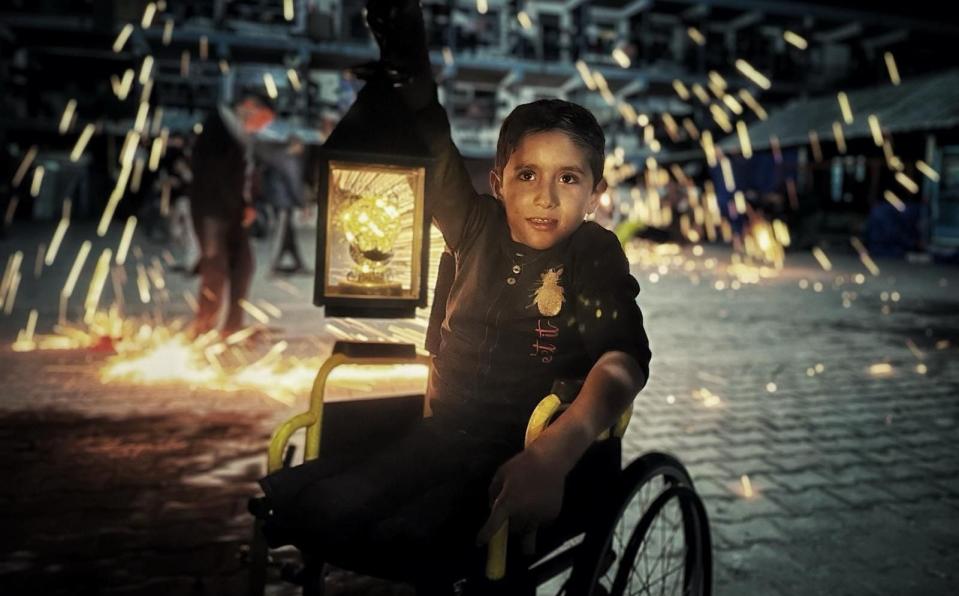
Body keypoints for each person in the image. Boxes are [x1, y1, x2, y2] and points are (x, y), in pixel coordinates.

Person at [249, 0, 651, 589]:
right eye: (527, 175)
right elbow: (435, 143)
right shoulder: (475, 224)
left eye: (568, 178)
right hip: (436, 437)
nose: (545, 196)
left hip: (522, 446)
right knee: (314, 506)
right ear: (498, 181)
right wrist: (412, 69)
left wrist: (555, 453)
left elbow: (621, 362)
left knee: (433, 541)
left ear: (594, 192)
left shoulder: (592, 252)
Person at [188, 93, 274, 338]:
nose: (262, 126)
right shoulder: (217, 128)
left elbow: (242, 176)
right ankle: (202, 329)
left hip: (233, 212)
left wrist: (247, 203)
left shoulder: (239, 135)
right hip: (212, 212)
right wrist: (238, 206)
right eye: (263, 119)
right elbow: (213, 177)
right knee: (215, 270)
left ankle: (232, 327)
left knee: (243, 266)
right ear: (249, 106)